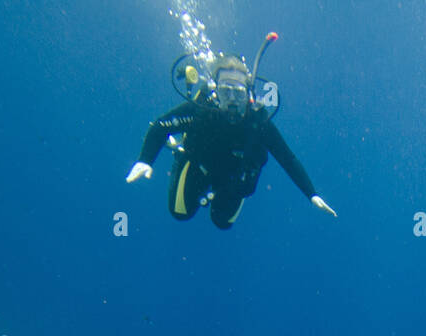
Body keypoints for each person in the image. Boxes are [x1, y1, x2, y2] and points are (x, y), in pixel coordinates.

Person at [126, 44, 334, 230]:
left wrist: (311, 193)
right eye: (226, 92)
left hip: (234, 180)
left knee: (222, 223)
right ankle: (178, 151)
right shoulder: (202, 110)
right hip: (199, 165)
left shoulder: (258, 122)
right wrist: (145, 160)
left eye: (238, 93)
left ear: (249, 93)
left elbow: (287, 158)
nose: (233, 101)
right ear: (215, 91)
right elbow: (160, 126)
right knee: (180, 214)